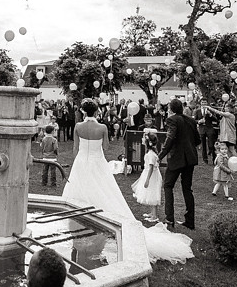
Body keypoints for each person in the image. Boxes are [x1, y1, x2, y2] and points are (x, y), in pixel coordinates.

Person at [62, 98, 193, 263]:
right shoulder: (102, 127)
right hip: (97, 161)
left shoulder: (78, 127)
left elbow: (75, 148)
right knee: (104, 191)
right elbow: (106, 147)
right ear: (96, 112)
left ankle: (81, 222)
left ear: (82, 111)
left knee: (79, 191)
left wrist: (78, 162)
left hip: (81, 162)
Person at [157, 97, 200, 230]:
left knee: (168, 186)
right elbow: (197, 140)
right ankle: (190, 221)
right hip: (190, 158)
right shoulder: (191, 120)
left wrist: (160, 156)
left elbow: (170, 138)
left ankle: (169, 219)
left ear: (171, 109)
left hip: (177, 158)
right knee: (187, 189)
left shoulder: (171, 120)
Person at [131, 131, 163, 222]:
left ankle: (155, 216)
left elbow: (151, 167)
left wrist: (147, 180)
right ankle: (152, 213)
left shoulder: (151, 155)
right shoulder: (150, 153)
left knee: (153, 193)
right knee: (150, 193)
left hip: (151, 176)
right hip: (149, 173)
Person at [194, 98, 218, 165]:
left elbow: (216, 119)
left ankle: (214, 159)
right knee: (203, 146)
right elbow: (194, 120)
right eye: (202, 102)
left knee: (211, 145)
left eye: (205, 102)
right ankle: (205, 160)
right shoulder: (197, 111)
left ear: (207, 103)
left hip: (209, 129)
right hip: (202, 129)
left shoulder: (210, 110)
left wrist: (210, 115)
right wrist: (199, 121)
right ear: (200, 103)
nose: (204, 104)